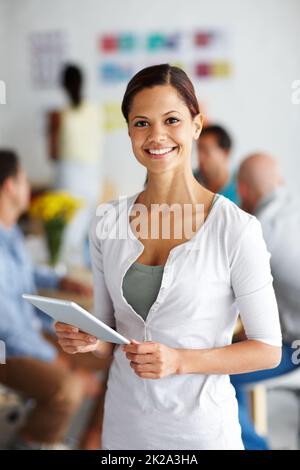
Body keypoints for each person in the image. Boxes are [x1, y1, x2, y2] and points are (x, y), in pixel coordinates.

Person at [55, 64, 282, 450]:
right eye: (141, 123)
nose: (156, 136)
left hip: (202, 434)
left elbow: (268, 349)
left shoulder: (236, 228)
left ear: (196, 125)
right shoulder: (107, 222)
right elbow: (112, 334)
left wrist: (180, 361)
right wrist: (88, 339)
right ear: (128, 131)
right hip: (126, 431)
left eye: (171, 120)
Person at [0, 150, 110, 449]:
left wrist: (59, 280)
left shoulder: (10, 233)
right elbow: (10, 331)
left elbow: (25, 274)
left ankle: (90, 441)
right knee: (67, 389)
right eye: (23, 179)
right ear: (10, 186)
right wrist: (64, 365)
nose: (28, 188)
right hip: (9, 349)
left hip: (32, 331)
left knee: (112, 357)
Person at [230, 152, 300, 449]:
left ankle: (254, 447)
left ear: (242, 191)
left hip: (295, 348)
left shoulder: (259, 231)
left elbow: (221, 290)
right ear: (280, 181)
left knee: (222, 372)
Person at [48, 64, 104, 266]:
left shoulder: (57, 115)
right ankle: (80, 273)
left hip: (69, 174)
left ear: (63, 85)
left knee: (67, 231)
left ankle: (64, 273)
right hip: (92, 176)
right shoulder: (95, 110)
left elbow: (53, 154)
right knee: (85, 231)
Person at [194, 124, 240, 204]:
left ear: (225, 153)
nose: (200, 157)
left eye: (206, 151)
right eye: (199, 150)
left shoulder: (240, 194)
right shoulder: (190, 181)